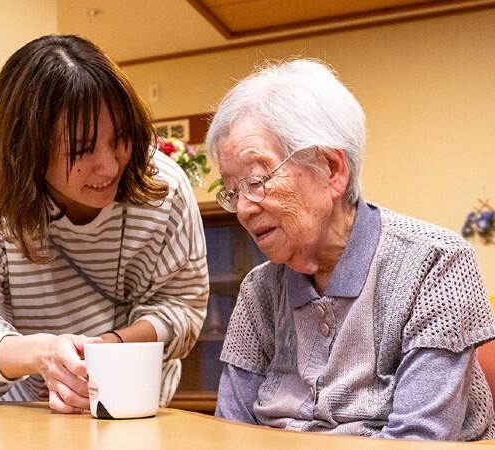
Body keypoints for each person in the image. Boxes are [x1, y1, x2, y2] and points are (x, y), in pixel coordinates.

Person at [205, 58, 495, 440]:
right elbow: (230, 430)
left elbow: (418, 441)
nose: (243, 207)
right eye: (233, 190)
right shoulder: (259, 289)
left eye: (257, 180)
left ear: (331, 168)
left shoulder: (435, 263)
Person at [0, 34, 209, 414]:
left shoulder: (163, 188)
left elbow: (182, 310)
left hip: (133, 410)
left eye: (121, 139)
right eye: (82, 150)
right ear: (27, 150)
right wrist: (43, 354)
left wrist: (107, 347)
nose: (111, 166)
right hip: (24, 414)